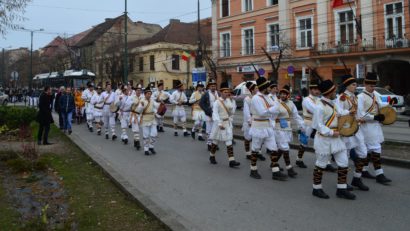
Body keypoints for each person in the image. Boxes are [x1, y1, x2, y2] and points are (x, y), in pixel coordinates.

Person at [311, 79, 355, 200]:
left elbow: (340, 113)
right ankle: (316, 188)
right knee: (321, 164)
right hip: (324, 139)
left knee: (344, 162)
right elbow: (317, 125)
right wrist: (331, 132)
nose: (335, 92)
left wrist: (350, 112)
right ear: (329, 92)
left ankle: (341, 189)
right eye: (333, 90)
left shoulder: (333, 103)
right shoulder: (319, 106)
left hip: (336, 138)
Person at [358, 72, 392, 185]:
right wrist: (374, 116)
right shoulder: (360, 97)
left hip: (375, 126)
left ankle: (364, 170)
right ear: (365, 84)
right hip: (366, 126)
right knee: (376, 148)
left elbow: (381, 105)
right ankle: (379, 174)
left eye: (374, 86)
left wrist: (390, 105)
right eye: (370, 86)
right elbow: (361, 114)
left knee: (368, 150)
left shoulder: (375, 95)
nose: (372, 88)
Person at [336, 74, 369, 191]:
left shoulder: (355, 97)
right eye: (354, 85)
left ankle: (357, 178)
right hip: (346, 129)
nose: (356, 86)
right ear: (347, 86)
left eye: (356, 84)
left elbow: (358, 112)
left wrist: (361, 118)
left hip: (357, 128)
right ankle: (343, 183)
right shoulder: (342, 97)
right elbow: (338, 113)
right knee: (345, 156)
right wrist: (349, 112)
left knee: (363, 153)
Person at [248, 77, 282, 179]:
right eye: (268, 87)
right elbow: (262, 112)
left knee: (273, 148)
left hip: (268, 126)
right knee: (255, 148)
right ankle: (253, 170)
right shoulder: (256, 98)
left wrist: (274, 108)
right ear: (264, 87)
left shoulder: (267, 97)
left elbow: (273, 109)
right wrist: (275, 108)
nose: (270, 89)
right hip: (258, 126)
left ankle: (275, 172)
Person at [272, 85, 304, 179]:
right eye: (281, 94)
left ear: (288, 95)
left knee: (282, 148)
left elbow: (296, 115)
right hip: (278, 128)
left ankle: (273, 163)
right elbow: (272, 117)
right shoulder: (276, 103)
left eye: (284, 94)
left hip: (288, 128)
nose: (282, 95)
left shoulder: (291, 104)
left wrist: (301, 125)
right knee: (285, 148)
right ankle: (289, 168)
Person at [208, 82, 240, 168]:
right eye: (225, 92)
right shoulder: (217, 102)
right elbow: (215, 113)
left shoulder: (229, 100)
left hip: (227, 123)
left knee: (229, 141)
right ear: (221, 92)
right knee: (215, 141)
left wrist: (233, 102)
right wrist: (219, 123)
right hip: (220, 123)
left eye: (228, 92)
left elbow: (232, 112)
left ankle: (231, 160)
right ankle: (212, 156)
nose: (227, 93)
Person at [297, 80, 320, 168]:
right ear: (311, 90)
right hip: (308, 123)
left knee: (320, 142)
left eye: (318, 89)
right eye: (315, 89)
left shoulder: (319, 99)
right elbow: (315, 110)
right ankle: (299, 159)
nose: (317, 91)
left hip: (317, 123)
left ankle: (325, 162)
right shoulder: (307, 100)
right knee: (304, 143)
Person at [136, 85, 160, 155]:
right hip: (145, 120)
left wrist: (161, 104)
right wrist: (141, 106)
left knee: (154, 134)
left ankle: (151, 146)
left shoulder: (152, 101)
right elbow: (138, 111)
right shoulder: (142, 101)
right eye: (148, 94)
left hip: (152, 120)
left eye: (150, 94)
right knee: (146, 136)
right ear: (145, 94)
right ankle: (146, 149)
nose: (149, 95)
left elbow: (157, 106)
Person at [242, 81, 261, 160]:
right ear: (252, 90)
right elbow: (246, 111)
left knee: (257, 137)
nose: (258, 89)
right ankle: (248, 153)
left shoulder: (259, 97)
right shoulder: (247, 99)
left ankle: (257, 152)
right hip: (249, 119)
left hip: (257, 119)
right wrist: (249, 120)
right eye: (256, 88)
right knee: (247, 137)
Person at [199, 79, 219, 151]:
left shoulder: (218, 93)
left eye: (214, 86)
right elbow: (201, 103)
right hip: (209, 114)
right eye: (212, 86)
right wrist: (207, 111)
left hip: (217, 115)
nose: (213, 87)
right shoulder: (206, 94)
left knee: (216, 130)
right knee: (209, 130)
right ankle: (209, 144)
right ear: (209, 87)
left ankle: (214, 144)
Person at [130, 85, 144, 150]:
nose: (139, 91)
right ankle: (138, 142)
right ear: (135, 91)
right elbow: (128, 106)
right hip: (134, 114)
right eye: (137, 90)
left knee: (139, 129)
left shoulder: (143, 97)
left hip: (141, 115)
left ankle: (135, 140)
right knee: (136, 129)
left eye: (140, 90)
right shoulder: (132, 97)